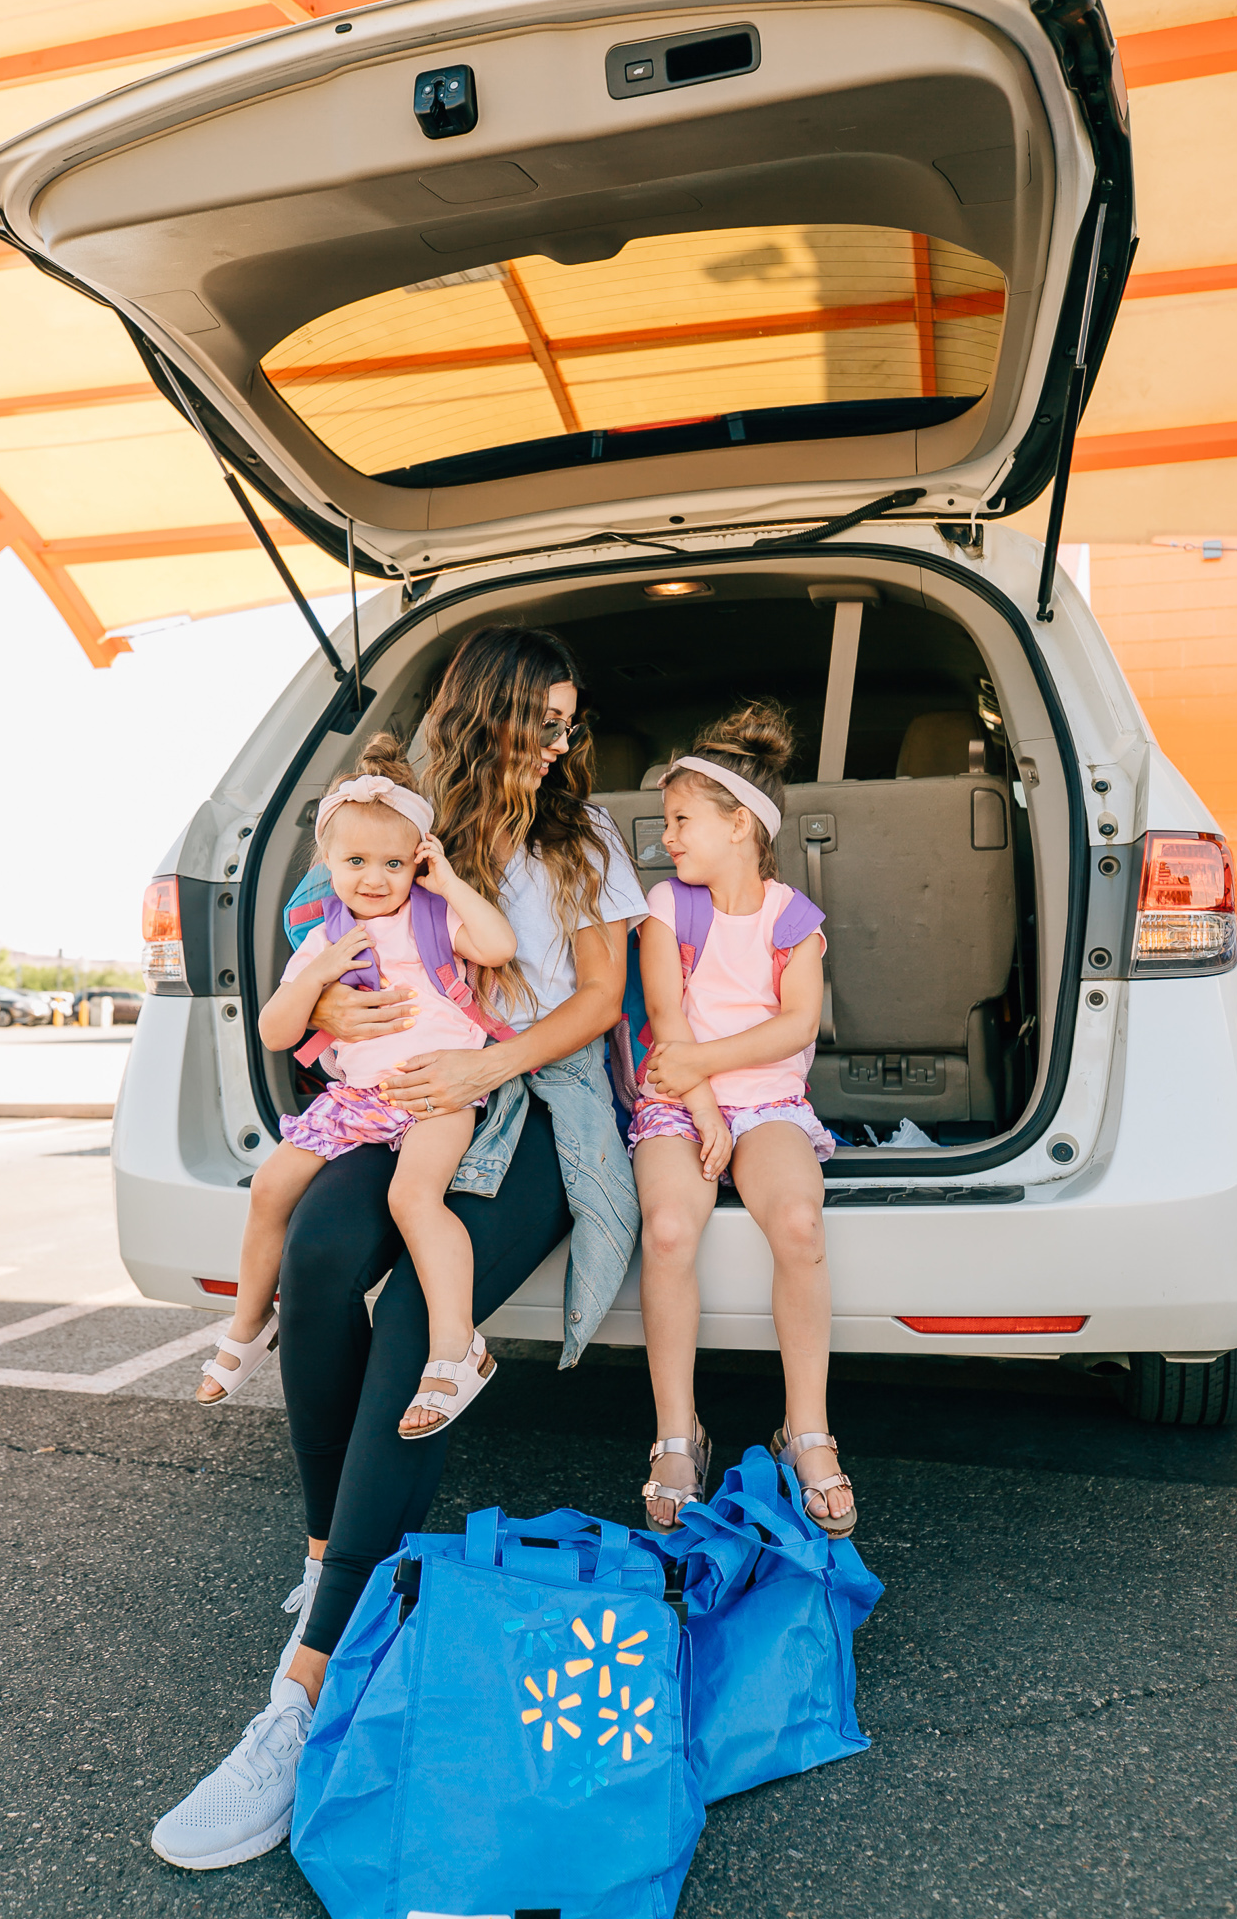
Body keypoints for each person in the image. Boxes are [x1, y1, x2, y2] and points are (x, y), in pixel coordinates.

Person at [151, 626, 646, 1872]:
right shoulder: (397, 833)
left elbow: (592, 1000)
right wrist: (323, 1000)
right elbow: (326, 952)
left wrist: (487, 1057)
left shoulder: (581, 845)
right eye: (537, 722)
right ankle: (335, 1554)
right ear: (479, 718)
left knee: (425, 1324)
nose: (556, 746)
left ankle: (301, 1691)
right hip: (401, 1088)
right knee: (318, 1250)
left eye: (569, 725)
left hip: (523, 1097)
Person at [194, 734, 517, 1441]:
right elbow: (276, 1031)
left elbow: (497, 949)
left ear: (418, 861)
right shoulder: (325, 936)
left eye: (395, 863)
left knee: (412, 1196)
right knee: (270, 1187)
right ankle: (251, 1321)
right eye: (356, 862)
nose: (374, 878)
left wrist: (447, 881)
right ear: (328, 864)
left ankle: (457, 1345)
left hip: (435, 1092)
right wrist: (315, 974)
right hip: (358, 1100)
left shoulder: (433, 916)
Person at [629, 702, 857, 1539]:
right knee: (666, 1231)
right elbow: (664, 1017)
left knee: (798, 1223)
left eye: (681, 821)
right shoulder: (666, 907)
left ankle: (805, 1431)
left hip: (763, 1100)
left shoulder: (790, 917)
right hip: (677, 1099)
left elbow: (797, 1026)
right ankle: (676, 1435)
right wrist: (695, 1103)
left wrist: (714, 1081)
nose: (668, 839)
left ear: (738, 825)